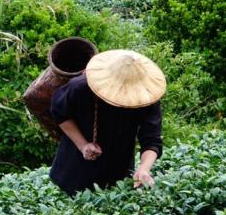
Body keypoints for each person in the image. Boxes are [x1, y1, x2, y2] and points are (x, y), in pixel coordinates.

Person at [49, 49, 165, 196]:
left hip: (118, 172)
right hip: (74, 170)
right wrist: (83, 145)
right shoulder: (81, 86)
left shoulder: (147, 97)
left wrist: (144, 169)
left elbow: (152, 140)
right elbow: (60, 113)